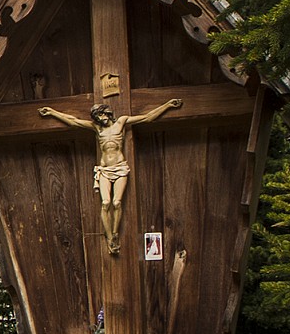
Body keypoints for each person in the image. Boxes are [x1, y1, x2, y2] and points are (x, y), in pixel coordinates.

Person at [36, 98, 183, 255]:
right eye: (96, 117)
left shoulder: (121, 122)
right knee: (105, 203)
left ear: (107, 112)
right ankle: (109, 237)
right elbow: (74, 121)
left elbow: (148, 117)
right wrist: (52, 112)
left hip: (120, 169)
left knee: (117, 202)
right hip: (104, 170)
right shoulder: (97, 128)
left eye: (100, 115)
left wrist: (167, 105)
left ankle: (115, 234)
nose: (99, 119)